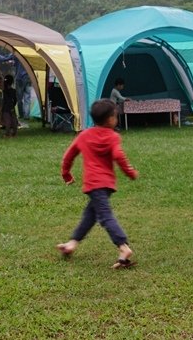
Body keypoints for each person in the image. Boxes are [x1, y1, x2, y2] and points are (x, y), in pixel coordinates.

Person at [56, 99, 139, 269]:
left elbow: (68, 156)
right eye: (115, 116)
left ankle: (123, 248)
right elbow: (119, 155)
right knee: (92, 215)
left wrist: (66, 174)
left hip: (93, 184)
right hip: (105, 184)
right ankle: (72, 244)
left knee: (103, 215)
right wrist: (130, 172)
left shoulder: (84, 135)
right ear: (110, 119)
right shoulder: (113, 137)